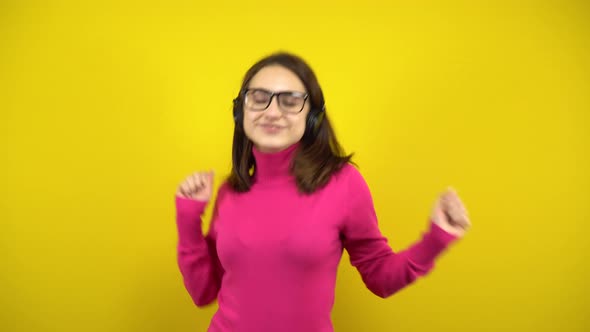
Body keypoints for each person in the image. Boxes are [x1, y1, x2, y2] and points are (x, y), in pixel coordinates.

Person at [174, 52, 471, 332]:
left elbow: (380, 277)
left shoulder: (343, 182)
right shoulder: (231, 190)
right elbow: (203, 293)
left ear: (312, 116)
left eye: (290, 101)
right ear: (241, 111)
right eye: (259, 98)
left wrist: (435, 240)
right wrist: (188, 218)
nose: (272, 111)